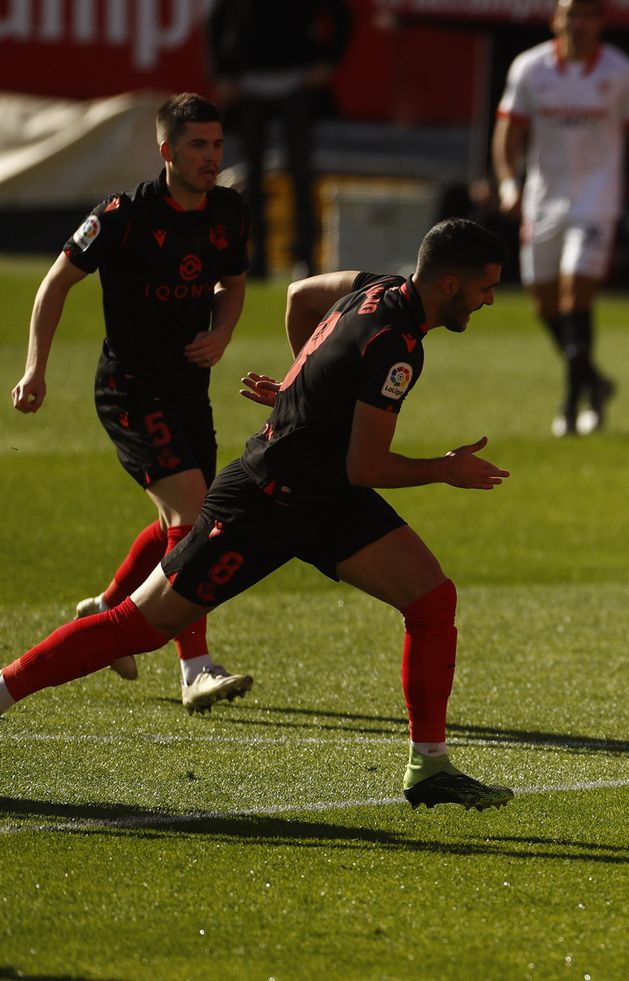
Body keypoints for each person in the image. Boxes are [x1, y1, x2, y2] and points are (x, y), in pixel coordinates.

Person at [1, 218, 515, 811]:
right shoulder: (396, 346)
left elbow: (301, 295)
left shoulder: (377, 286)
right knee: (138, 628)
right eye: (485, 288)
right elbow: (365, 468)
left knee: (431, 600)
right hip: (265, 498)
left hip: (321, 498)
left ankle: (429, 768)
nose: (490, 300)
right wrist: (443, 468)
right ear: (450, 284)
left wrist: (308, 384)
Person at [10, 93, 255, 713]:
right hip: (129, 390)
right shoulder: (123, 214)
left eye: (218, 144)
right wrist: (36, 368)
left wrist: (222, 332)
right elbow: (55, 282)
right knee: (197, 515)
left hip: (187, 390)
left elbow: (233, 282)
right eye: (198, 145)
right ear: (167, 151)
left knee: (191, 513)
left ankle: (111, 604)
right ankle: (194, 666)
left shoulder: (228, 210)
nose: (211, 157)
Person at [491, 0, 629, 438]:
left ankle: (570, 405)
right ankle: (596, 382)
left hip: (596, 202)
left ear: (600, 23)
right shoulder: (530, 68)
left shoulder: (621, 73)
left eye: (588, 15)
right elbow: (508, 131)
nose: (578, 24)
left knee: (575, 293)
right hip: (543, 201)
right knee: (544, 304)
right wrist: (509, 184)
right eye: (571, 14)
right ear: (556, 20)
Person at [207, 0, 352, 279]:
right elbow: (216, 21)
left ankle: (306, 258)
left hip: (296, 85)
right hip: (249, 85)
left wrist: (328, 62)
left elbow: (343, 17)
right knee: (253, 177)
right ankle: (256, 258)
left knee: (301, 175)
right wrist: (221, 74)